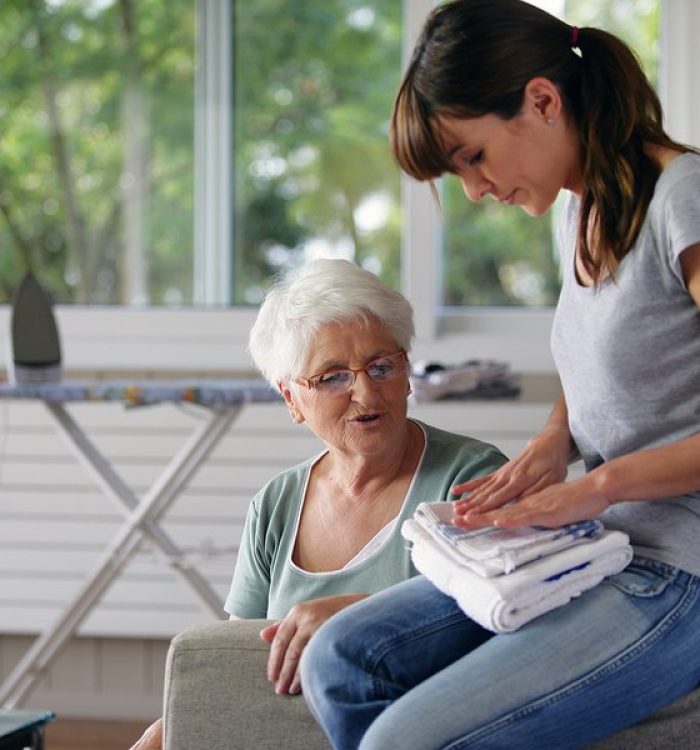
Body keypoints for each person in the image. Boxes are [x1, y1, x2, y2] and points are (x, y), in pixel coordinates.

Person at [300, 2, 700, 749]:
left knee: (403, 742)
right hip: (600, 544)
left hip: (681, 573)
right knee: (342, 660)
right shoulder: (575, 211)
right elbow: (610, 359)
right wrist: (554, 443)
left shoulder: (685, 200)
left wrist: (594, 485)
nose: (475, 190)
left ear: (542, 101)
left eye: (472, 156)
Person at [127, 258, 507, 749]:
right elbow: (241, 662)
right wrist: (169, 729)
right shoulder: (276, 504)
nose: (366, 393)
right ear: (291, 399)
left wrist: (362, 622)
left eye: (382, 366)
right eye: (332, 377)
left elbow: (505, 638)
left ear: (407, 372)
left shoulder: (473, 479)